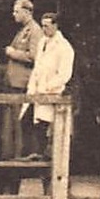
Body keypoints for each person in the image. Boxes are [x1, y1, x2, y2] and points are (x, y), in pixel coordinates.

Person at [25, 12, 76, 160]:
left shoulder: (64, 47)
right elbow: (37, 67)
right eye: (42, 26)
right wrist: (32, 87)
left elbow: (64, 75)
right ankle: (38, 155)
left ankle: (52, 164)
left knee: (50, 128)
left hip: (53, 94)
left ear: (56, 25)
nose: (44, 29)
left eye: (47, 26)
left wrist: (47, 88)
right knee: (35, 124)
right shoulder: (42, 42)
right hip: (37, 92)